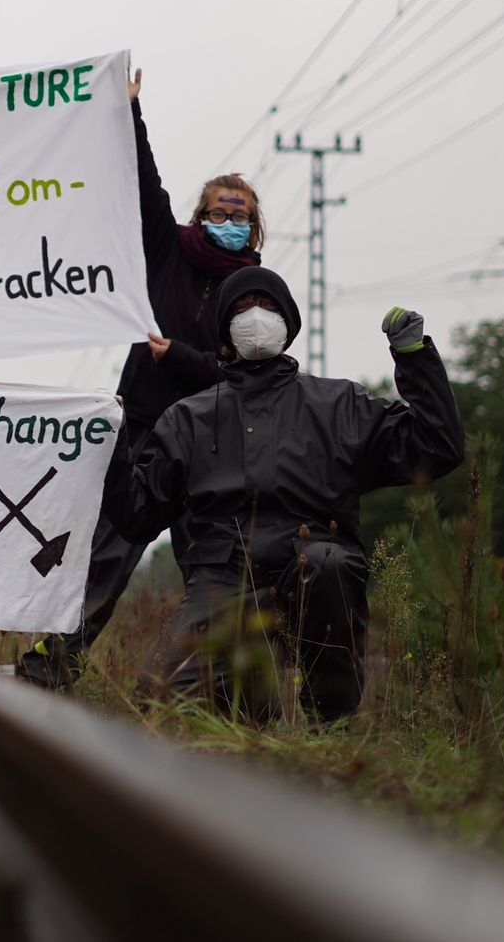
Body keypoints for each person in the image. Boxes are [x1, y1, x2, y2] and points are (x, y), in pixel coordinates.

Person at [109, 267, 463, 721]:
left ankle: (330, 721)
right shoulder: (188, 420)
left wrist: (414, 359)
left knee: (326, 562)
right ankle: (243, 715)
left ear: (289, 323)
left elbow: (437, 448)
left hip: (314, 565)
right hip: (224, 579)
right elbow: (136, 516)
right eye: (240, 308)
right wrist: (114, 447)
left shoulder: (340, 406)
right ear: (224, 331)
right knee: (155, 705)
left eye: (269, 306)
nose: (256, 316)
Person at [18, 68, 265, 687]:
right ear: (201, 214)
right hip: (148, 433)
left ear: (254, 226)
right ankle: (53, 667)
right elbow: (144, 187)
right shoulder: (169, 250)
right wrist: (131, 112)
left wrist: (177, 356)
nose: (228, 218)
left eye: (240, 213)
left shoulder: (256, 293)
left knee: (213, 569)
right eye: (219, 209)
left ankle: (222, 690)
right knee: (108, 553)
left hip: (210, 445)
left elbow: (239, 373)